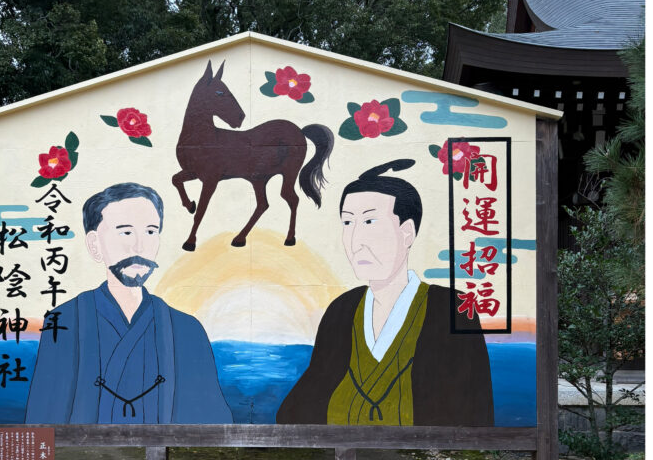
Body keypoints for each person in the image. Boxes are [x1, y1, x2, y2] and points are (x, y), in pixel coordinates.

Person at [276, 160, 494, 426]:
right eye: (347, 222)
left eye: (369, 221)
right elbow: (302, 403)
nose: (355, 240)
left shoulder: (453, 309)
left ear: (407, 233)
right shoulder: (342, 310)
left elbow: (474, 412)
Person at [24, 182, 233, 424]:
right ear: (94, 245)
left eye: (151, 232)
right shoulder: (65, 321)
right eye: (126, 232)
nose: (139, 246)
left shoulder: (186, 329)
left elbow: (210, 420)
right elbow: (44, 417)